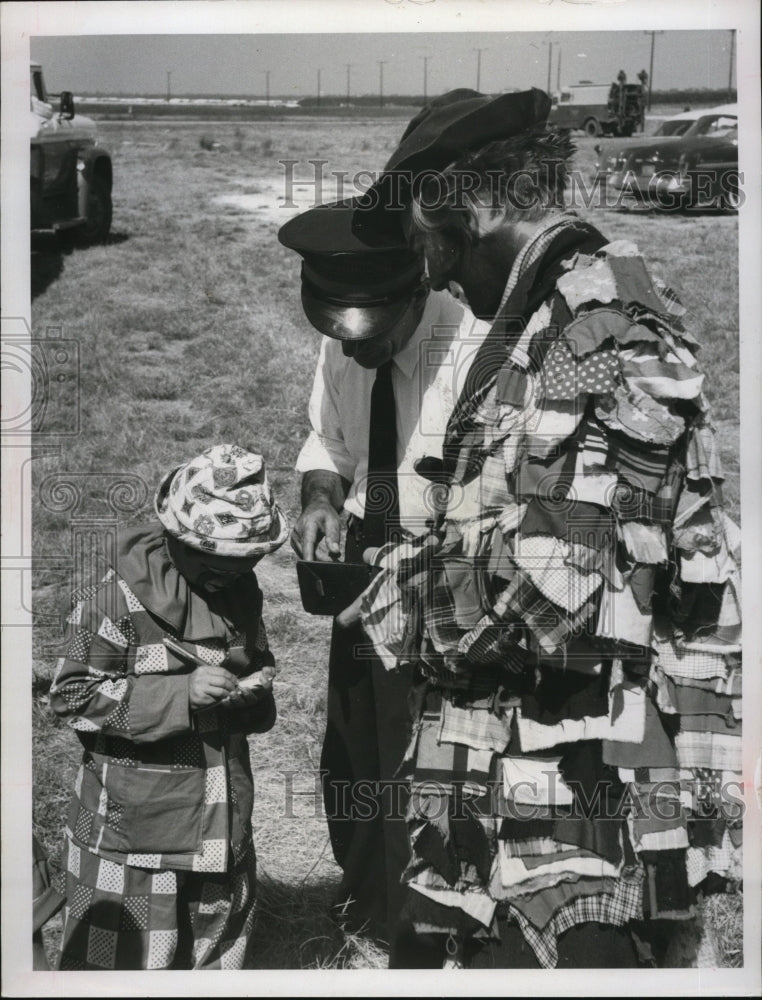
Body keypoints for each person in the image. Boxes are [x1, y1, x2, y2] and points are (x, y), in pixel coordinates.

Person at [348, 89, 742, 968]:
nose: (437, 276)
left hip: (584, 802)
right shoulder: (558, 312)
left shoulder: (595, 322)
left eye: (434, 246)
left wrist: (403, 604)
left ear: (479, 205)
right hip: (538, 766)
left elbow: (551, 587)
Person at [278, 197, 490, 957]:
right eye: (342, 334)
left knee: (422, 755)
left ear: (413, 291)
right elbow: (329, 441)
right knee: (355, 745)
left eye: (372, 336)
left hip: (441, 569)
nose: (356, 351)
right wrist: (321, 501)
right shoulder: (347, 334)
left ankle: (425, 929)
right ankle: (366, 900)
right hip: (363, 565)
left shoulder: (471, 347)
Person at [49, 444, 289, 970]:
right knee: (129, 959)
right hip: (136, 828)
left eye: (251, 559)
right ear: (180, 539)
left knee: (213, 942)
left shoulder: (239, 591)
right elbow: (70, 696)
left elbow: (253, 654)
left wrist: (255, 683)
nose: (238, 571)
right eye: (222, 561)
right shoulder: (116, 596)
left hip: (220, 809)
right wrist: (180, 694)